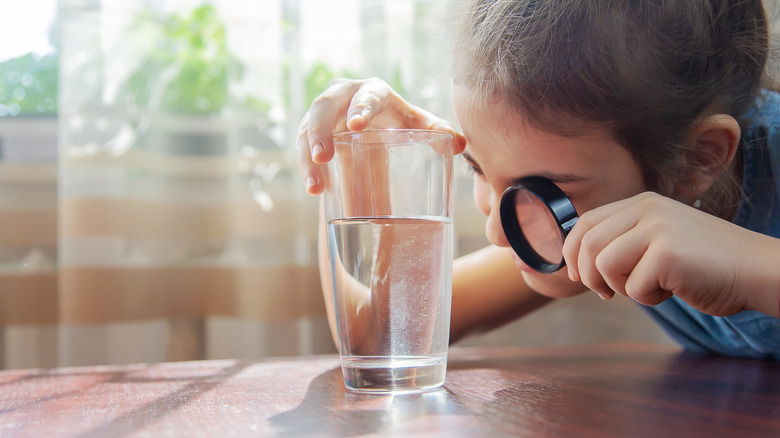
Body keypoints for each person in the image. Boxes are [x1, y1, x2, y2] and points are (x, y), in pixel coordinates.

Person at [296, 0, 780, 359]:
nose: (496, 234)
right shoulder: (559, 223)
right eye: (477, 168)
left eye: (546, 190)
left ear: (698, 160)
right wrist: (350, 160)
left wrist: (749, 268)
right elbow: (379, 332)